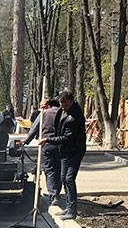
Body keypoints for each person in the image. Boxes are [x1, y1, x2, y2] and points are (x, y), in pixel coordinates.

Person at [39, 90, 87, 219]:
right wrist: (47, 102)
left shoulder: (74, 117)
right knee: (63, 178)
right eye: (61, 105)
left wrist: (47, 139)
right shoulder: (63, 106)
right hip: (65, 151)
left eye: (65, 105)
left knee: (69, 179)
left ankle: (72, 211)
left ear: (71, 101)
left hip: (74, 151)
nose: (63, 107)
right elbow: (57, 101)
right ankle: (68, 207)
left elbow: (67, 138)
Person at [23, 97, 62, 206]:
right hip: (60, 144)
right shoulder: (63, 113)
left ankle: (54, 195)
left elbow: (34, 129)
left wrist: (25, 142)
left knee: (49, 170)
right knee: (59, 169)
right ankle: (57, 192)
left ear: (49, 105)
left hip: (47, 144)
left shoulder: (44, 114)